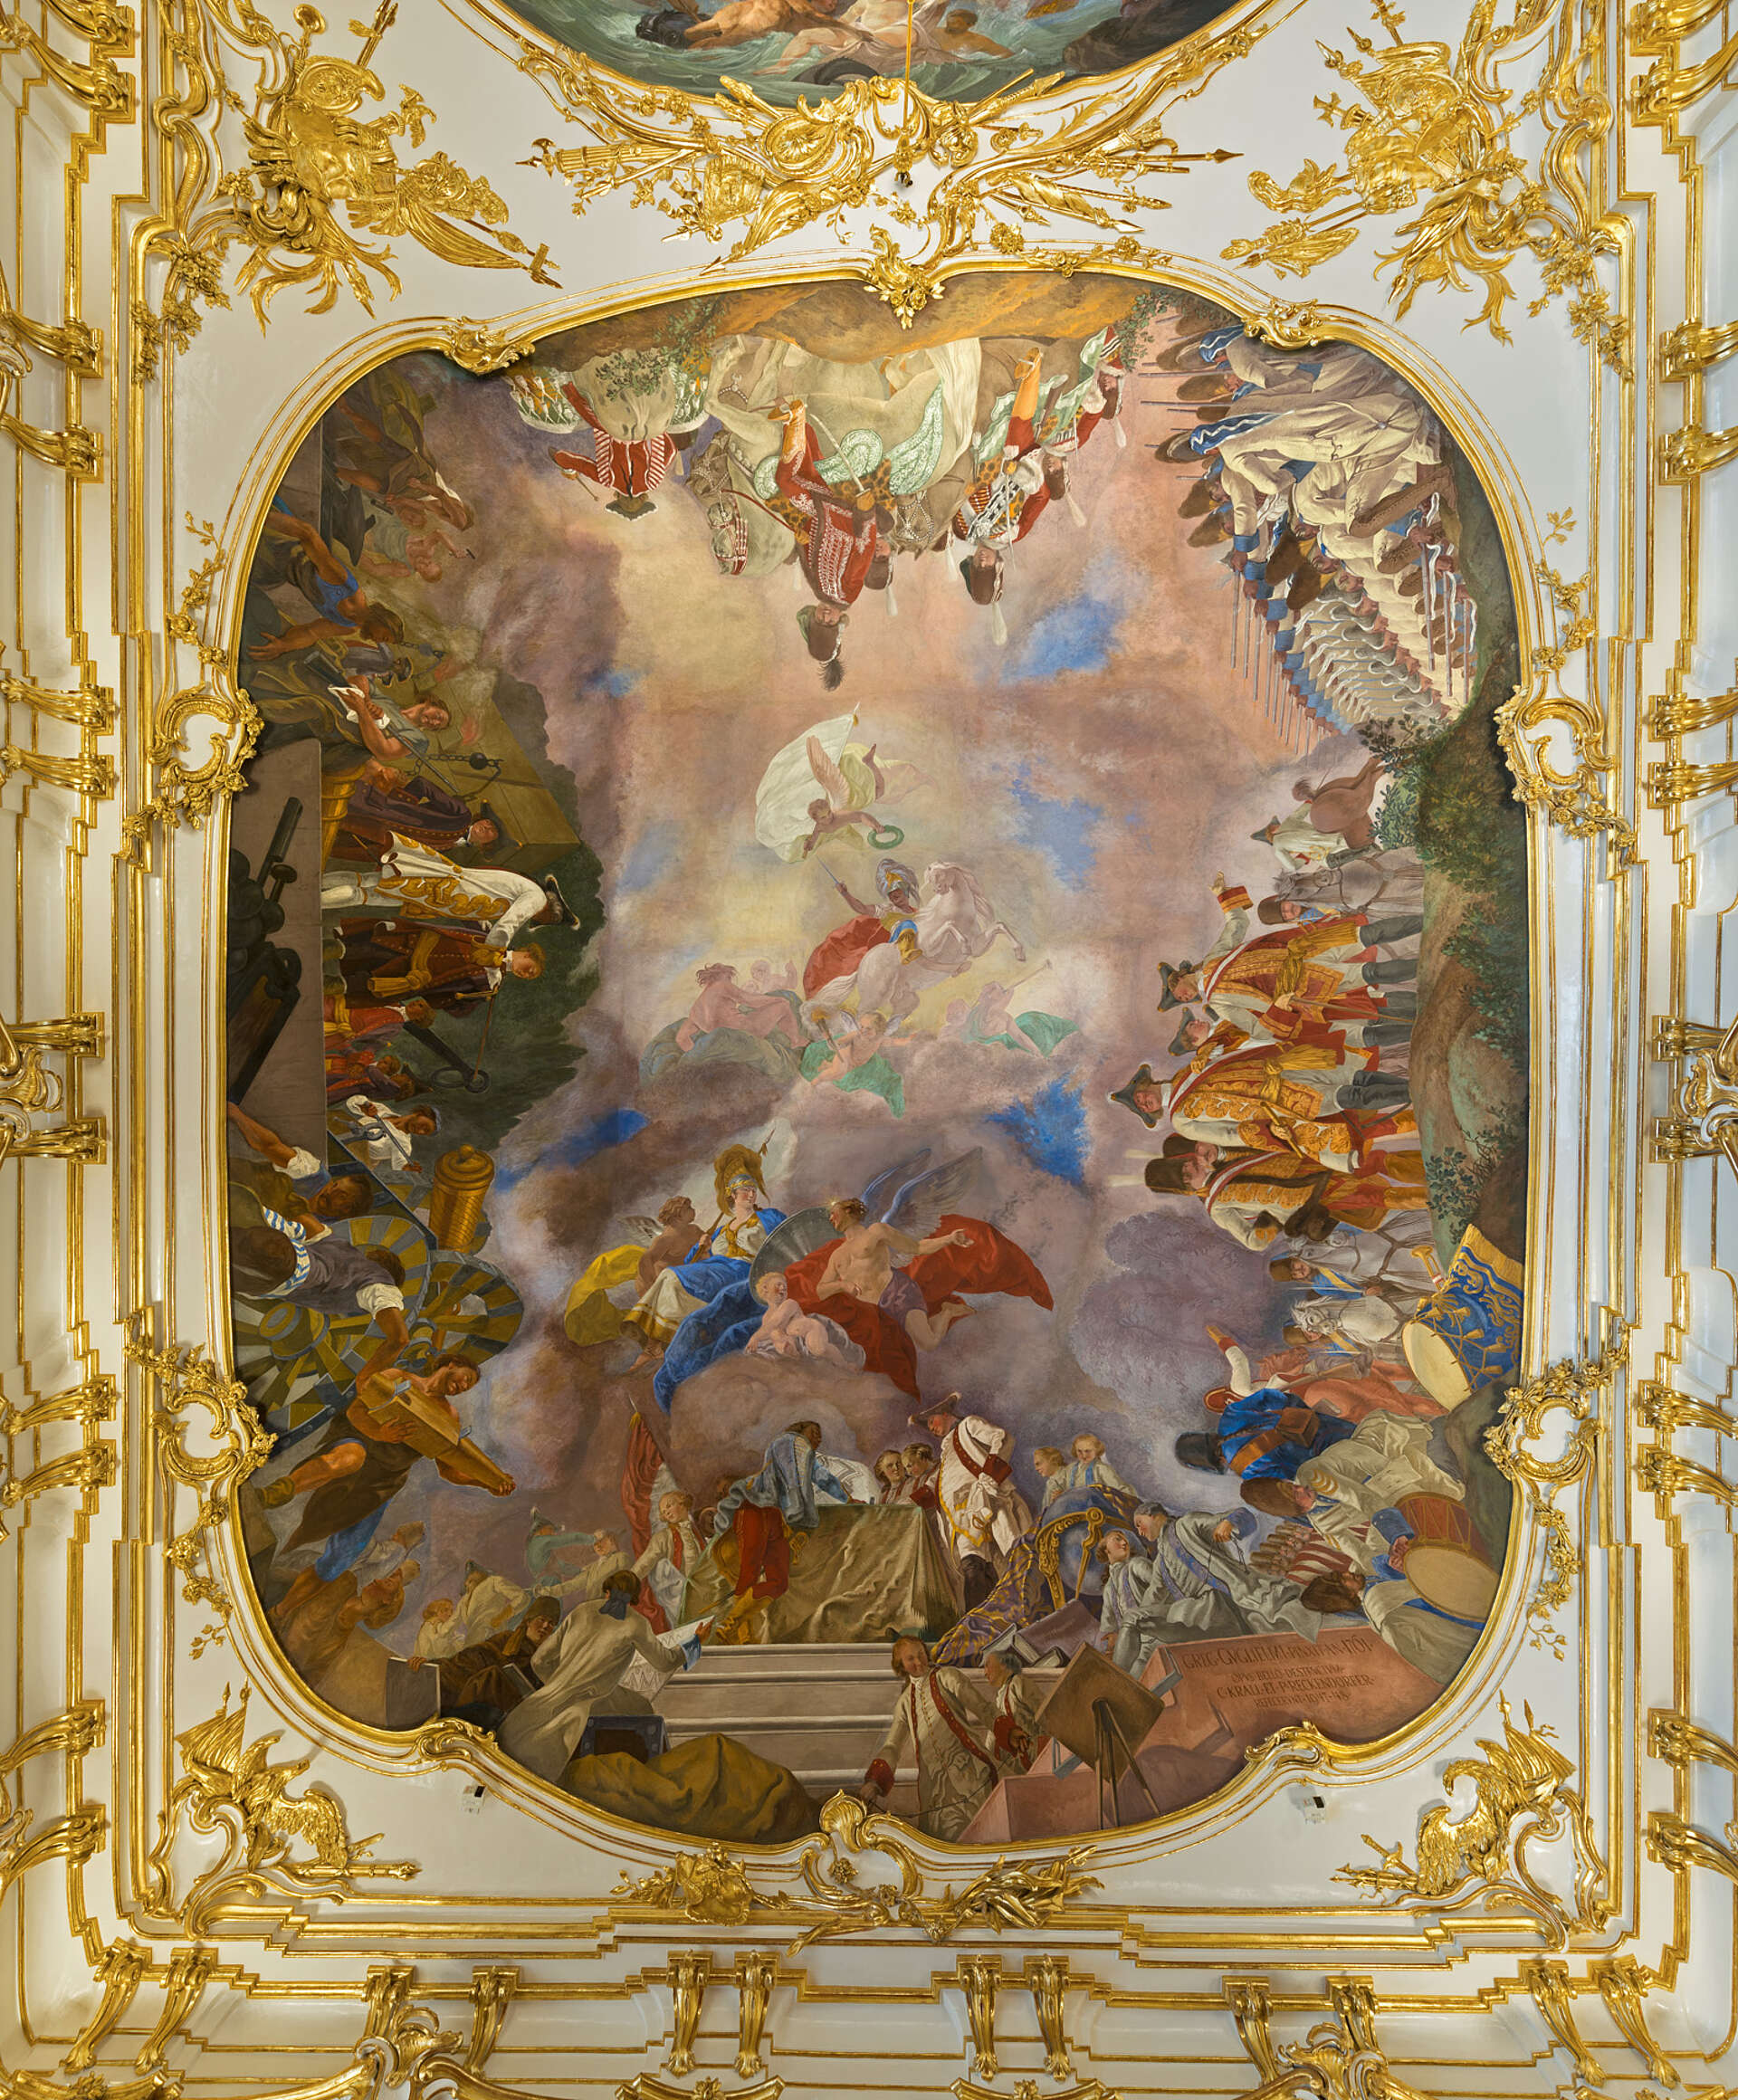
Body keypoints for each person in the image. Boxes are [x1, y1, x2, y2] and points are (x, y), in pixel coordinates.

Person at [499, 1570, 704, 1782]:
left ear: (607, 1591)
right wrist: (694, 1641)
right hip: (593, 1699)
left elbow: (539, 1661)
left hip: (554, 1693)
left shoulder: (581, 1611)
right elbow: (665, 1662)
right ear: (633, 1598)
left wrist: (561, 1685)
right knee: (643, 1707)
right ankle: (641, 1777)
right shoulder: (636, 1623)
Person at [624, 1146, 787, 1366]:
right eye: (745, 1190)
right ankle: (657, 1342)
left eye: (753, 1190)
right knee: (669, 1277)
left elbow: (788, 1237)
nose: (751, 1194)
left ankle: (653, 1340)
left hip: (745, 1271)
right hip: (718, 1270)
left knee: (671, 1276)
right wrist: (705, 1247)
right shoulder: (722, 1230)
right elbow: (696, 1260)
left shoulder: (768, 1217)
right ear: (732, 1195)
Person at [708, 1422, 855, 1644]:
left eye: (820, 1435)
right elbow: (793, 1478)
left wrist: (848, 1499)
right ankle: (739, 1633)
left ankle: (732, 1624)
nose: (818, 1438)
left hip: (776, 1518)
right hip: (757, 1511)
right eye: (814, 1432)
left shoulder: (804, 1453)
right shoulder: (790, 1441)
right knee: (749, 1574)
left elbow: (822, 1477)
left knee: (778, 1582)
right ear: (799, 1430)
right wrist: (798, 1514)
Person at [860, 1635, 1001, 1840]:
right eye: (911, 1659)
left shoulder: (947, 1677)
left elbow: (982, 1707)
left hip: (969, 1773)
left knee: (982, 1832)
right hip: (936, 1790)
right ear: (901, 1665)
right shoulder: (904, 1702)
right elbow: (892, 1746)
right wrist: (875, 1781)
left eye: (921, 1655)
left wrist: (1008, 1730)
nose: (918, 1662)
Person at [1132, 1502, 1321, 1641]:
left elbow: (1240, 1514)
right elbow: (1155, 1591)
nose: (1140, 1532)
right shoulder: (1161, 1560)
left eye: (1139, 1524)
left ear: (1152, 1515)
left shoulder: (1187, 1524)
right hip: (1199, 1609)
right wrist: (1139, 1614)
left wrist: (1229, 1522)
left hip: (1224, 1596)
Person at [912, 1397, 1032, 1608]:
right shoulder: (946, 1450)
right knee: (972, 1564)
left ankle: (1029, 1604)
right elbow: (940, 1480)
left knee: (1012, 1551)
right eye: (928, 1426)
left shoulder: (968, 1425)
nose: (931, 1428)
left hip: (987, 1499)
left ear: (946, 1414)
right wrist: (914, 1501)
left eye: (932, 1421)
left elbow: (1001, 1438)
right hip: (961, 1516)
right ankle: (980, 1620)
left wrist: (990, 1476)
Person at [815, 1197, 978, 1351]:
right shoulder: (836, 1255)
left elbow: (916, 1247)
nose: (830, 1218)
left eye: (833, 1213)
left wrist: (949, 1239)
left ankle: (947, 1312)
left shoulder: (876, 1231)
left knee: (928, 1344)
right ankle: (939, 1315)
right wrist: (842, 1285)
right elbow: (821, 1290)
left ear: (848, 1210)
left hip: (897, 1292)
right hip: (876, 1310)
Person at [417, 1596, 565, 1725]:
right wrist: (432, 1665)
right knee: (490, 1677)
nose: (545, 1626)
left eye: (551, 1623)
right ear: (529, 1621)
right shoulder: (506, 1640)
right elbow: (471, 1658)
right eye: (541, 1619)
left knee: (493, 1677)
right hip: (483, 1704)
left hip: (517, 1713)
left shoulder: (549, 1659)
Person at [744, 1271, 863, 1367]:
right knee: (776, 1337)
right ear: (765, 1288)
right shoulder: (766, 1318)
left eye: (785, 1286)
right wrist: (783, 1345)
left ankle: (844, 1364)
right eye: (778, 1285)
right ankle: (794, 1354)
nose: (783, 1287)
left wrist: (755, 1338)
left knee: (818, 1348)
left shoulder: (789, 1304)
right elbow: (771, 1332)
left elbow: (776, 1322)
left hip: (811, 1331)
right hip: (797, 1343)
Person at [631, 1488, 704, 1628]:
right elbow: (646, 1561)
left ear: (683, 1503)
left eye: (669, 1506)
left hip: (704, 1587)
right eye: (664, 1512)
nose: (667, 1512)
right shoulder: (663, 1537)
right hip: (681, 1593)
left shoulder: (699, 1530)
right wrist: (629, 1579)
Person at [983, 1647, 1043, 1773]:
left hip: (1032, 1762)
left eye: (987, 1665)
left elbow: (1046, 1715)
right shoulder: (1000, 1697)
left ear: (1003, 1665)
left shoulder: (1019, 1683)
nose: (984, 1673)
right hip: (1009, 1769)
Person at [1056, 1433, 1134, 1500]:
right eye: (1079, 1451)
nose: (1084, 1455)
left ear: (1096, 1450)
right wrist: (1060, 1494)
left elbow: (1120, 1490)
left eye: (1088, 1451)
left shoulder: (1102, 1468)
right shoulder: (1070, 1469)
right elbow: (1060, 1487)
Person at [1032, 1446, 1067, 1510]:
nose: (1036, 1469)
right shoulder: (1050, 1482)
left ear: (1051, 1460)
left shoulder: (1067, 1474)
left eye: (1038, 1464)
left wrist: (1064, 1495)